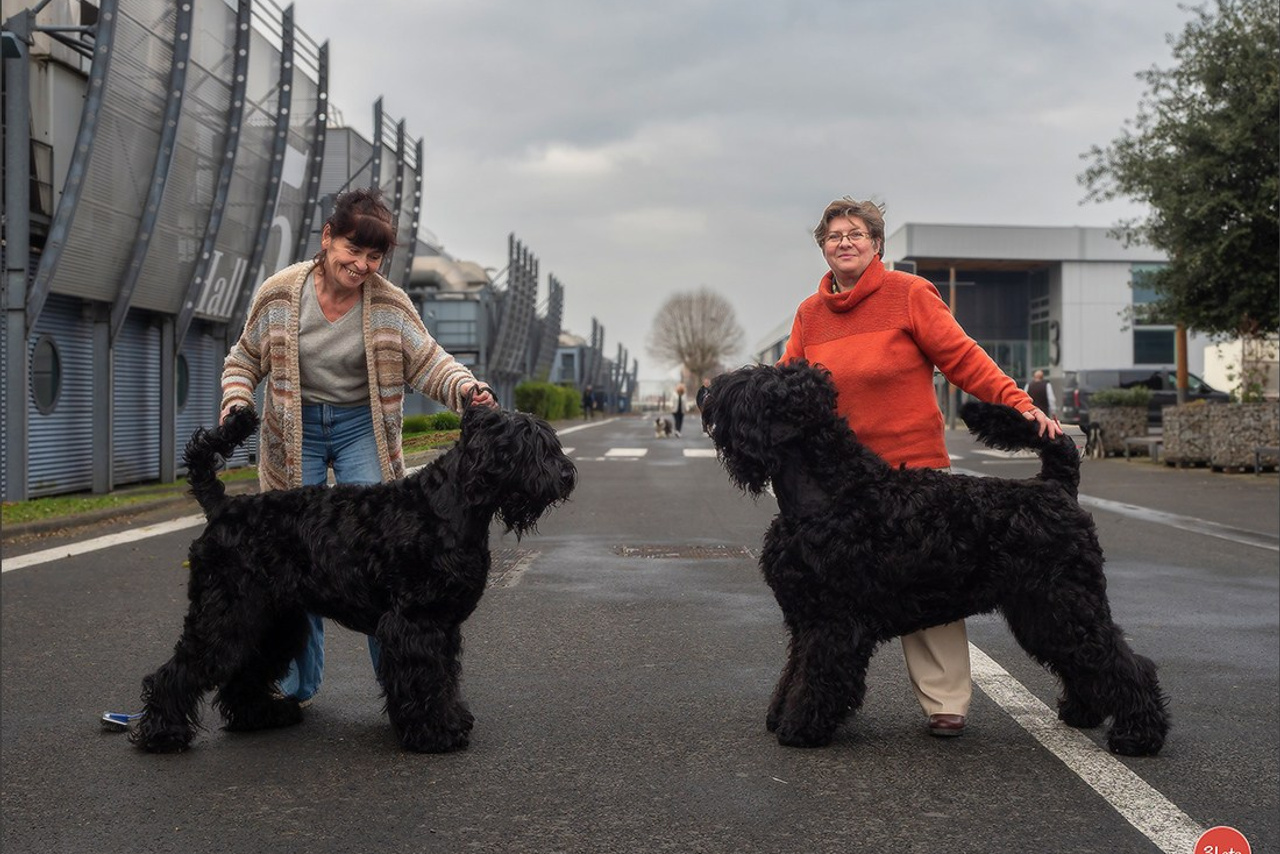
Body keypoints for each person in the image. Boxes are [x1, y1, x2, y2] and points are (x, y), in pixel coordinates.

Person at [778, 196, 1061, 738]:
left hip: (914, 466)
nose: (844, 243)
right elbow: (787, 383)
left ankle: (945, 701)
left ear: (876, 244)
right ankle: (814, 691)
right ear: (823, 248)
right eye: (834, 236)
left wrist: (1019, 403)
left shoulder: (910, 294)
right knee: (833, 599)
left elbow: (963, 357)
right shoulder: (809, 314)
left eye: (856, 234)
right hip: (843, 482)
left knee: (932, 586)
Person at [219, 187, 495, 706]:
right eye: (353, 249)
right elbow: (243, 360)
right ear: (327, 238)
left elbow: (430, 362)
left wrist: (466, 389)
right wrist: (236, 401)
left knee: (384, 560)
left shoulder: (390, 305)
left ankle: (403, 694)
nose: (362, 265)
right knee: (296, 556)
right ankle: (297, 686)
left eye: (374, 256)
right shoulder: (280, 294)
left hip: (360, 427)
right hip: (294, 430)